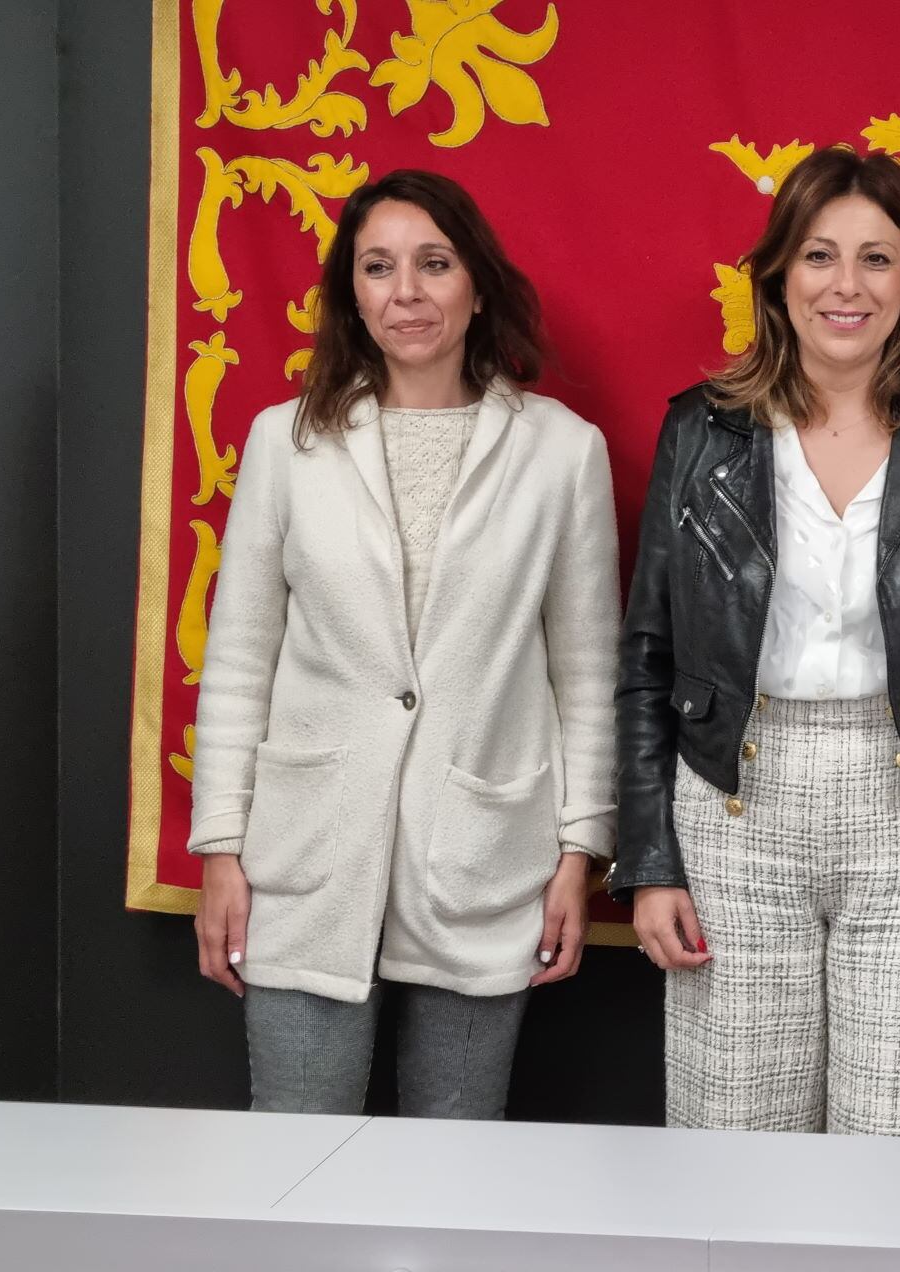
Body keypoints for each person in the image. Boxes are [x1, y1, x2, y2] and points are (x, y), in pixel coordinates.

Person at [613, 145, 900, 1137]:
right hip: (730, 803)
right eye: (817, 255)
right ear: (777, 276)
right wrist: (650, 859)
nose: (844, 285)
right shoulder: (702, 432)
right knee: (736, 1140)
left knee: (898, 1142)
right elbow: (646, 658)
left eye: (875, 259)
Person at [188, 169, 619, 1118]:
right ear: (352, 291)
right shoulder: (284, 442)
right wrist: (221, 848)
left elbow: (590, 676)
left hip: (486, 859)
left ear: (477, 282)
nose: (406, 292)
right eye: (378, 268)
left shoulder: (561, 452)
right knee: (292, 1161)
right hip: (304, 858)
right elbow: (238, 666)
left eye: (434, 263)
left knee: (453, 1169)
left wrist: (579, 852)